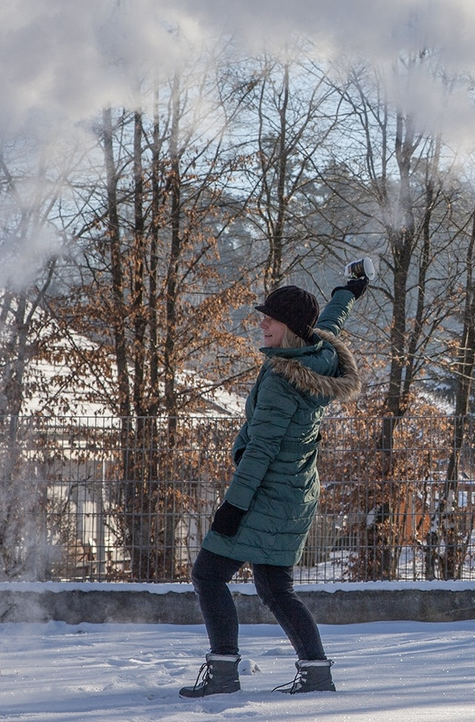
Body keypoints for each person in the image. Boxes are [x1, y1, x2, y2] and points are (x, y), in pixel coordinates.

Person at [179, 270, 366, 698]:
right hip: (296, 493)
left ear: (291, 329)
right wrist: (348, 292)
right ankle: (316, 673)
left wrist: (233, 507)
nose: (261, 323)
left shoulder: (284, 381)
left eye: (271, 319)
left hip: (266, 494)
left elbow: (261, 452)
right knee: (275, 588)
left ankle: (224, 672)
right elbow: (330, 323)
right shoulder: (315, 355)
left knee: (208, 575)